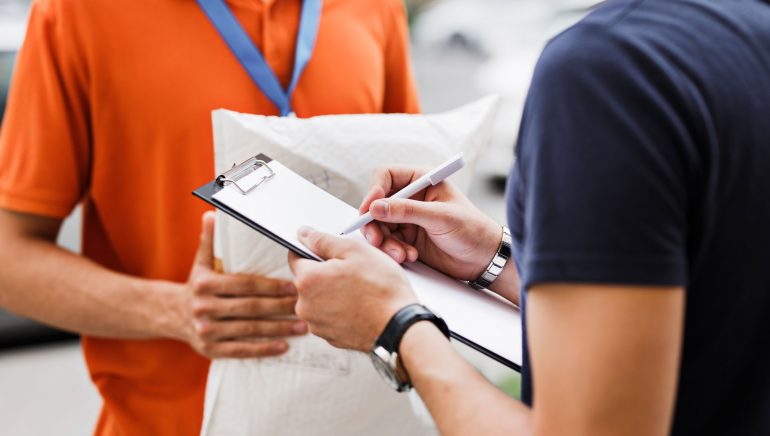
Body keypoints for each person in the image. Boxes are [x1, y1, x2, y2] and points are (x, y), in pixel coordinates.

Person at [288, 0, 770, 434]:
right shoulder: (745, 32)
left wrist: (396, 325)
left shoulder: (610, 70)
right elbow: (714, 305)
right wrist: (495, 260)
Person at [0, 0, 419, 434]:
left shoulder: (377, 7)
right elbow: (9, 261)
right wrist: (174, 311)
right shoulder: (77, 11)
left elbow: (413, 213)